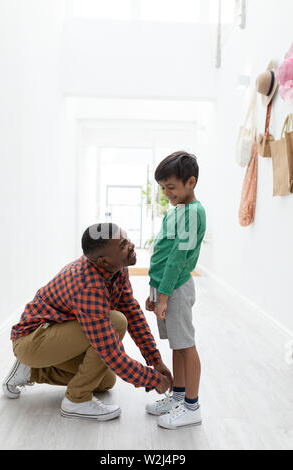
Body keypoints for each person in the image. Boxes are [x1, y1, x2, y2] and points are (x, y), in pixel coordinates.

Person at [3, 223, 173, 421]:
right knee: (116, 321)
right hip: (32, 340)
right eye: (123, 245)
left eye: (127, 239)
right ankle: (76, 401)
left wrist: (155, 361)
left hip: (54, 335)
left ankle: (32, 371)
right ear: (104, 260)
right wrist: (152, 380)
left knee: (105, 381)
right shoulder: (87, 285)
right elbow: (110, 353)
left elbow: (133, 312)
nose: (132, 245)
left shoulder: (116, 268)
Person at [145, 151, 206, 430]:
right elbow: (162, 252)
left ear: (190, 182)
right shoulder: (177, 210)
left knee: (186, 345)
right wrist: (154, 290)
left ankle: (192, 407)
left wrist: (165, 296)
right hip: (165, 289)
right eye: (162, 188)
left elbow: (178, 258)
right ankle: (178, 396)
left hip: (177, 289)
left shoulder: (193, 213)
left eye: (171, 187)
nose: (166, 193)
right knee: (177, 346)